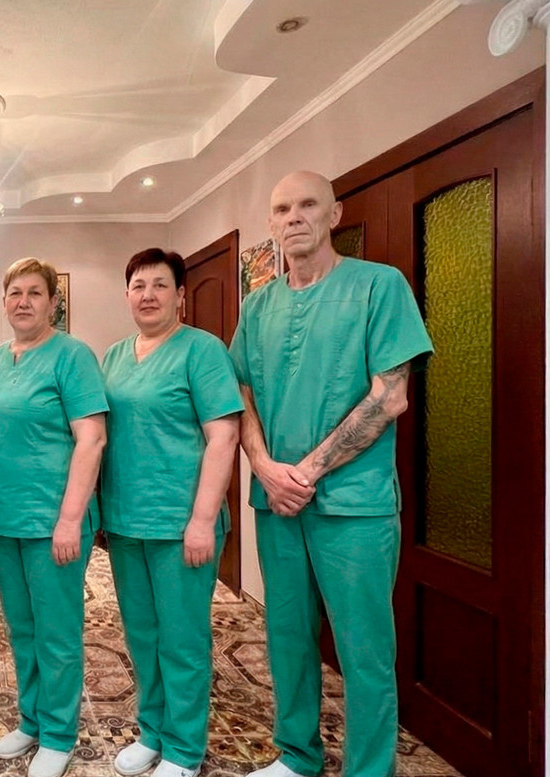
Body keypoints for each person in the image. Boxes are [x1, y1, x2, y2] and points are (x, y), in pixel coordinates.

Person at [230, 171, 433, 777]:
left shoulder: (378, 286)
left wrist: (305, 472)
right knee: (287, 637)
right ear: (271, 224)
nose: (293, 217)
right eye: (281, 208)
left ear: (334, 214)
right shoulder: (257, 306)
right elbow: (240, 393)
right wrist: (264, 467)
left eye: (307, 205)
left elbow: (390, 397)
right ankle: (297, 755)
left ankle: (369, 769)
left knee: (364, 650)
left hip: (354, 506)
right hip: (275, 501)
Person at [101, 248, 243, 777]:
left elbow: (223, 437)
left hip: (183, 523)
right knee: (142, 635)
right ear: (127, 295)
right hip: (126, 520)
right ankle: (152, 731)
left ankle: (183, 749)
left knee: (182, 639)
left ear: (180, 295)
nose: (148, 295)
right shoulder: (114, 356)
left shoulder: (202, 351)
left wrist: (202, 520)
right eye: (138, 286)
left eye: (160, 285)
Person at [0, 257, 108, 777]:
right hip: (4, 519)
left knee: (57, 632)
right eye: (15, 293)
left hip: (55, 520)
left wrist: (70, 519)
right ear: (4, 301)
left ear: (54, 302)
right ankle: (31, 718)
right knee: (22, 627)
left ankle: (58, 733)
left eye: (34, 293)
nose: (23, 301)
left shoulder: (72, 356)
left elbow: (92, 439)